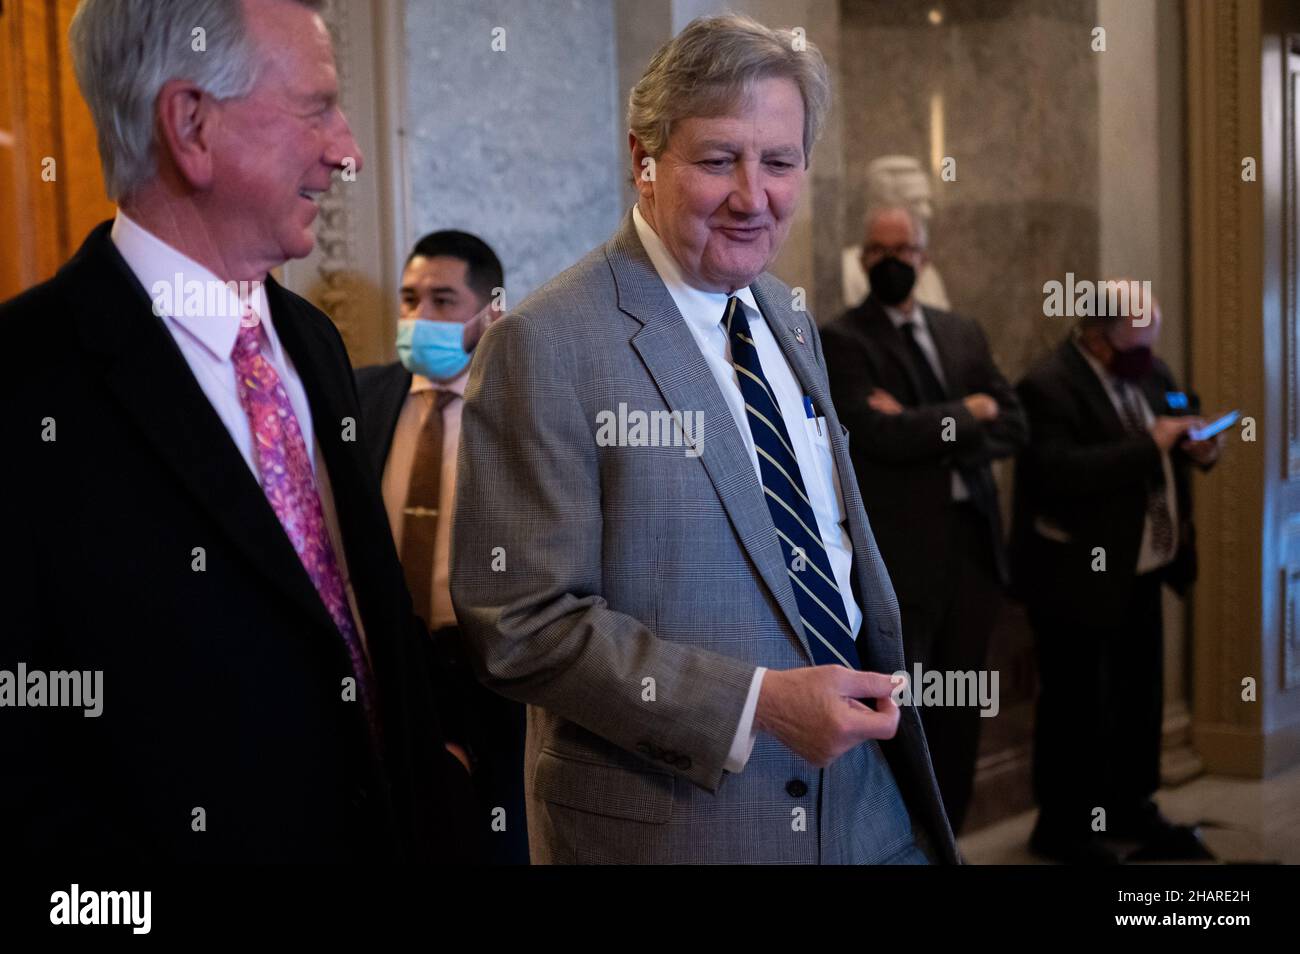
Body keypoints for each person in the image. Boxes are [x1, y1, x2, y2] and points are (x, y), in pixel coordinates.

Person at [451, 14, 958, 865]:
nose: (753, 196)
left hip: (873, 811)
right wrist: (754, 703)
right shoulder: (546, 342)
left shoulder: (788, 317)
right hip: (688, 830)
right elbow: (520, 625)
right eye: (719, 159)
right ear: (642, 159)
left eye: (781, 162)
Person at [0, 0, 474, 862]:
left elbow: (367, 632)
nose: (348, 149)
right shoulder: (23, 379)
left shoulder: (314, 342)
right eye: (316, 108)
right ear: (191, 125)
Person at [821, 205, 1027, 834]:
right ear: (862, 259)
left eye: (902, 250)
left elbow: (1015, 424)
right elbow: (878, 434)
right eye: (877, 252)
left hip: (974, 551)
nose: (890, 262)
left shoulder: (960, 330)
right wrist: (970, 411)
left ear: (924, 258)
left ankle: (953, 841)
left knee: (960, 710)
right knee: (903, 713)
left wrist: (931, 421)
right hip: (904, 560)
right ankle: (904, 843)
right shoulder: (843, 338)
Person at [1012, 285, 1222, 864]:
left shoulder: (1152, 369)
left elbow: (1182, 411)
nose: (1147, 359)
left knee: (1139, 699)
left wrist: (1201, 448)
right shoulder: (1047, 385)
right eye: (1136, 347)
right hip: (1077, 577)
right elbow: (1056, 474)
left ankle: (1131, 807)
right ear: (1098, 339)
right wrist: (1147, 446)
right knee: (1079, 708)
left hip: (1144, 569)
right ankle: (1066, 826)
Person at [355, 230, 528, 864]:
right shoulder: (359, 398)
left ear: (490, 311)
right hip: (383, 670)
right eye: (408, 299)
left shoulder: (522, 407)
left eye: (442, 300)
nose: (417, 317)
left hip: (488, 680)